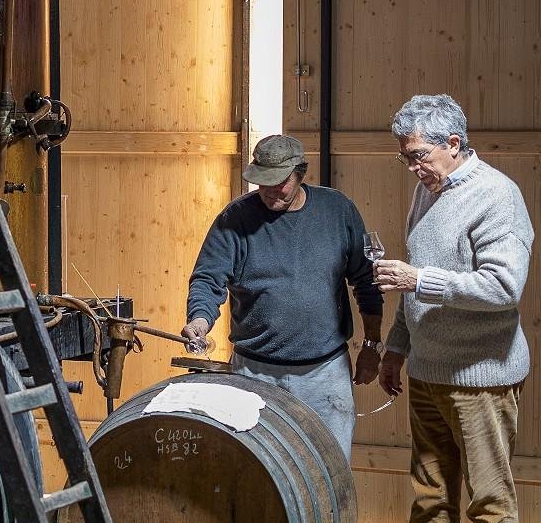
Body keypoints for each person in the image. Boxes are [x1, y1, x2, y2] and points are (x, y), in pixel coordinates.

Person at [376, 94, 532, 523]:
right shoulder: (427, 191)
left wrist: (418, 280)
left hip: (478, 380)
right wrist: (396, 349)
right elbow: (415, 283)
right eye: (405, 158)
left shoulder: (497, 196)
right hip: (426, 374)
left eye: (419, 156)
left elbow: (502, 287)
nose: (413, 168)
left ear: (453, 142)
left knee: (490, 506)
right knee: (430, 502)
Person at [182, 134, 383, 461]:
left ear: (301, 173)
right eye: (262, 183)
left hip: (325, 374)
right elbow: (209, 277)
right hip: (255, 373)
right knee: (256, 473)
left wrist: (372, 345)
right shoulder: (236, 219)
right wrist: (200, 320)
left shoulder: (338, 211)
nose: (270, 191)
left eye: (280, 182)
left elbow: (366, 281)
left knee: (329, 476)